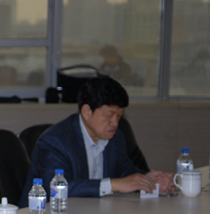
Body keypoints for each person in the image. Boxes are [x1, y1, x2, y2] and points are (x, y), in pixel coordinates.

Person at [20, 76, 174, 206]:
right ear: (87, 112)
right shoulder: (54, 142)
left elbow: (124, 170)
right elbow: (58, 189)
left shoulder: (116, 138)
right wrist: (114, 185)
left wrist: (148, 178)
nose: (115, 123)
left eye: (119, 116)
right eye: (109, 115)